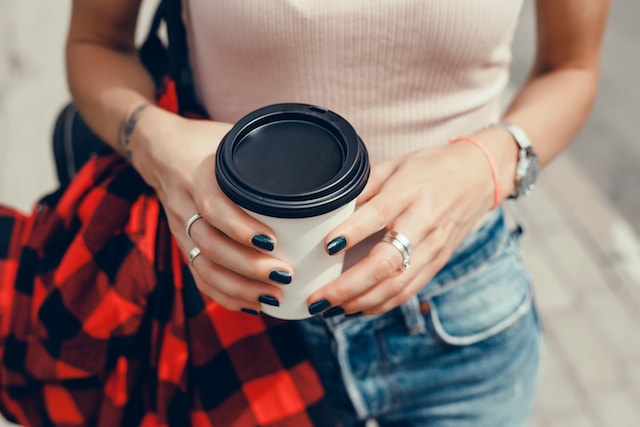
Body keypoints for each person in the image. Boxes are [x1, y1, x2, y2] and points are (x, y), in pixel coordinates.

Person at [60, 0, 609, 425]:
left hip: (458, 314)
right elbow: (95, 43)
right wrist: (156, 143)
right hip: (233, 307)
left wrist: (485, 165)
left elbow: (572, 69)